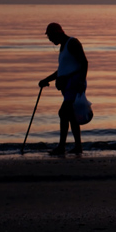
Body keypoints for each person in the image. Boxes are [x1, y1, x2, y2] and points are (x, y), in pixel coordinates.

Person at [39, 22, 89, 156]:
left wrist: (80, 81)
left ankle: (61, 147)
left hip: (74, 84)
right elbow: (61, 70)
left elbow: (84, 62)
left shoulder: (72, 43)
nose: (50, 40)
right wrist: (46, 80)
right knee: (71, 116)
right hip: (68, 87)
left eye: (50, 36)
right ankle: (78, 147)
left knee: (63, 113)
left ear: (57, 33)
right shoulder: (63, 48)